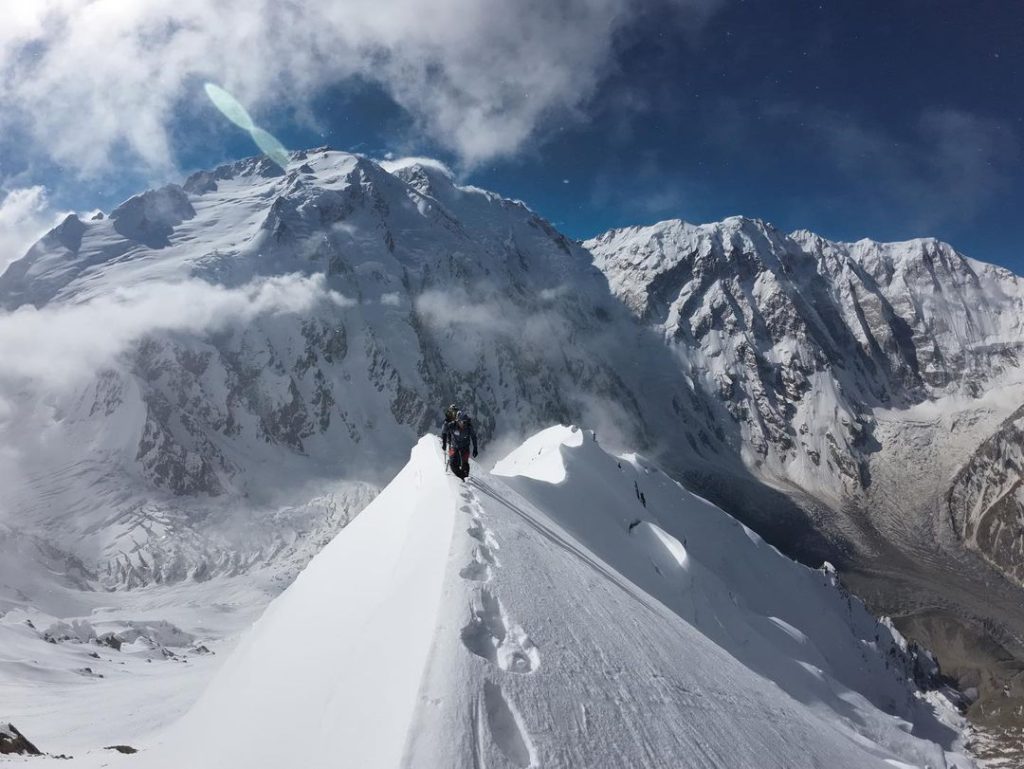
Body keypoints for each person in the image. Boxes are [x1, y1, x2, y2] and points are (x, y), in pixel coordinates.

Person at [442, 410, 478, 480]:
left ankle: (465, 478)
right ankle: (461, 478)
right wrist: (446, 423)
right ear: (458, 421)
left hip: (465, 447)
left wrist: (475, 448)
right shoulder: (452, 425)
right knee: (453, 464)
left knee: (465, 464)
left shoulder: (469, 427)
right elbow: (444, 431)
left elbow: (474, 437)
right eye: (463, 422)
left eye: (466, 422)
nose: (464, 424)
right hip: (454, 446)